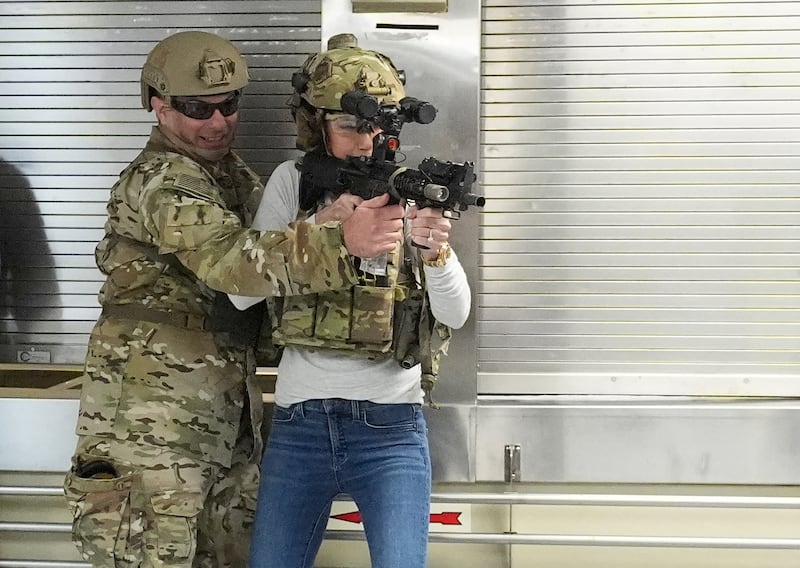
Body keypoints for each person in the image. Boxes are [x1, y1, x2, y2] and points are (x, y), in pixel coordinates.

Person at [62, 30, 404, 568]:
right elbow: (233, 265)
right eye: (198, 108)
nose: (218, 122)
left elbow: (273, 273)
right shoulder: (160, 182)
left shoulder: (233, 177)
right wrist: (344, 242)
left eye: (229, 105)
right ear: (158, 106)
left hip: (225, 428)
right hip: (153, 435)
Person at [237, 34, 472, 568]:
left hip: (390, 430)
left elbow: (455, 314)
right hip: (301, 427)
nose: (366, 140)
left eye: (376, 125)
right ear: (314, 124)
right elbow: (239, 292)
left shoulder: (406, 187)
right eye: (349, 125)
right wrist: (322, 229)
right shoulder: (292, 183)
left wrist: (434, 253)